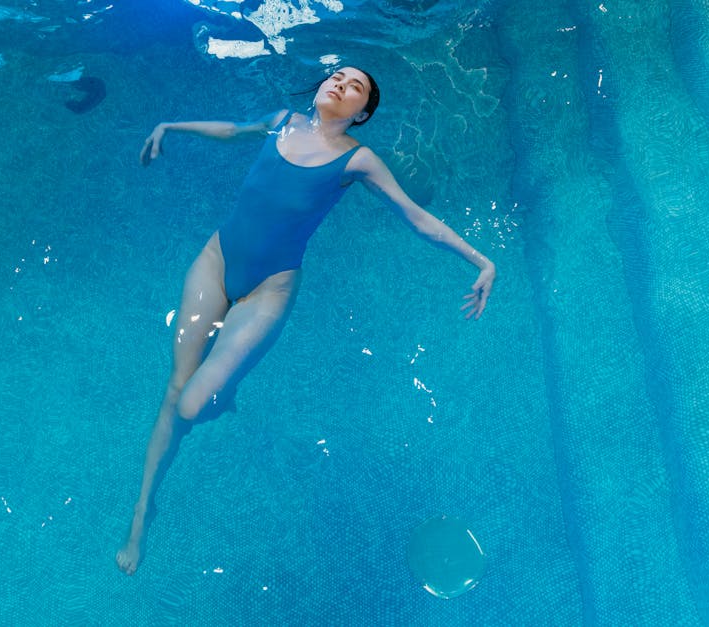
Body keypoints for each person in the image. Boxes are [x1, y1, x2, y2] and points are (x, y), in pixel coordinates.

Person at [116, 67, 495, 575]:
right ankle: (143, 511)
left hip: (268, 291)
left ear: (361, 113)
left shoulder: (357, 160)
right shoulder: (281, 121)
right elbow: (233, 129)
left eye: (354, 86)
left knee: (189, 406)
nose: (340, 84)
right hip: (217, 260)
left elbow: (413, 215)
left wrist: (482, 261)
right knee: (173, 390)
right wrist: (170, 126)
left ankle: (220, 395)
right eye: (336, 76)